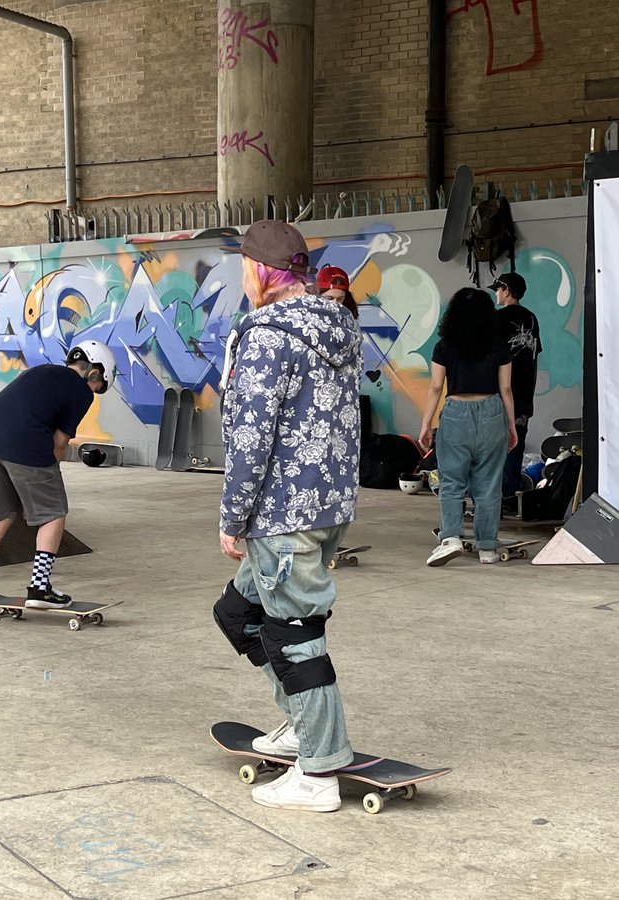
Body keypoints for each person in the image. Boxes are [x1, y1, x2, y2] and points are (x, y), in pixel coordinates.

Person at [214, 219, 362, 813]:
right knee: (238, 612)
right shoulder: (338, 324)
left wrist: (233, 516)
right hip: (327, 504)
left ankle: (319, 773)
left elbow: (251, 436)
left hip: (282, 511)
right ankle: (301, 724)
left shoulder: (266, 335)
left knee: (295, 635)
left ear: (258, 270)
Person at [0, 340, 115, 609]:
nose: (96, 392)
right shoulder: (80, 391)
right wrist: (48, 475)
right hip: (24, 442)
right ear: (93, 372)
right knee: (53, 512)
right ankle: (39, 588)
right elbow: (60, 442)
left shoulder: (41, 371)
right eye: (99, 386)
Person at [418, 287, 517, 566]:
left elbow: (436, 386)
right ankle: (487, 548)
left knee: (452, 482)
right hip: (491, 411)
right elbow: (506, 388)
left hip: (456, 411)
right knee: (488, 485)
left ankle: (450, 538)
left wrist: (426, 424)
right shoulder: (499, 346)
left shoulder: (444, 346)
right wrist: (511, 425)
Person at [492, 272, 541, 505]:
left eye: (498, 289)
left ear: (507, 291)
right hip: (524, 396)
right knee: (516, 445)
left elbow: (488, 357)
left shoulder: (497, 319)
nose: (496, 293)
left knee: (492, 448)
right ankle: (510, 496)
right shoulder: (532, 319)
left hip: (500, 393)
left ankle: (493, 498)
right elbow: (534, 358)